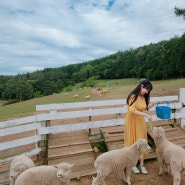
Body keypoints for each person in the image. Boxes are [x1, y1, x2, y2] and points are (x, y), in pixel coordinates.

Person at [124, 78, 157, 174]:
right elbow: (132, 110)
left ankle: (141, 164)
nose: (147, 92)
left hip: (140, 122)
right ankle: (132, 164)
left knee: (142, 140)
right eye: (146, 89)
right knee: (133, 140)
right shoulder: (132, 96)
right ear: (141, 86)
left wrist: (155, 103)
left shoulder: (143, 97)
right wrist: (146, 115)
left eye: (148, 91)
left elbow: (145, 107)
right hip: (131, 121)